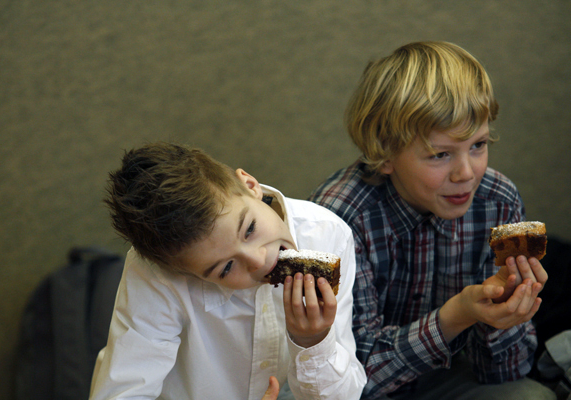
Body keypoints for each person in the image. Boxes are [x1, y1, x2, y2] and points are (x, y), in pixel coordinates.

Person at [309, 41, 556, 400]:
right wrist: (456, 315)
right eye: (440, 154)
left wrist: (505, 313)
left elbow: (506, 373)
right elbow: (349, 379)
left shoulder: (499, 201)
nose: (467, 174)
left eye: (478, 145)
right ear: (385, 153)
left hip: (448, 377)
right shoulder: (336, 218)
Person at [89, 142, 366, 400]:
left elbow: (347, 395)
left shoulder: (327, 234)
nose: (258, 260)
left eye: (250, 229)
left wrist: (313, 341)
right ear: (188, 274)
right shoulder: (156, 274)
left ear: (250, 185)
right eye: (226, 268)